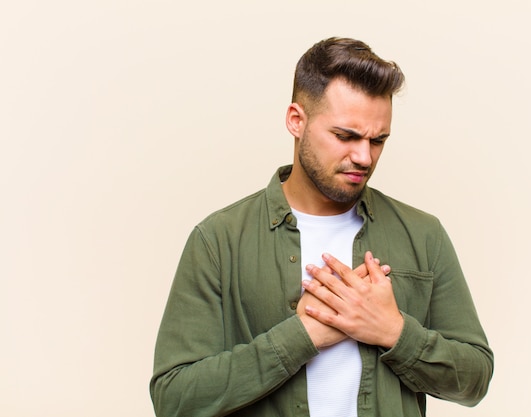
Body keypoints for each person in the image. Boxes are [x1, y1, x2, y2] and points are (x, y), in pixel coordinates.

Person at [150, 37, 494, 417]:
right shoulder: (218, 241)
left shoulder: (424, 235)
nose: (364, 157)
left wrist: (393, 331)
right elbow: (174, 400)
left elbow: (475, 380)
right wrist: (300, 336)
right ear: (296, 121)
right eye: (345, 136)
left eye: (378, 140)